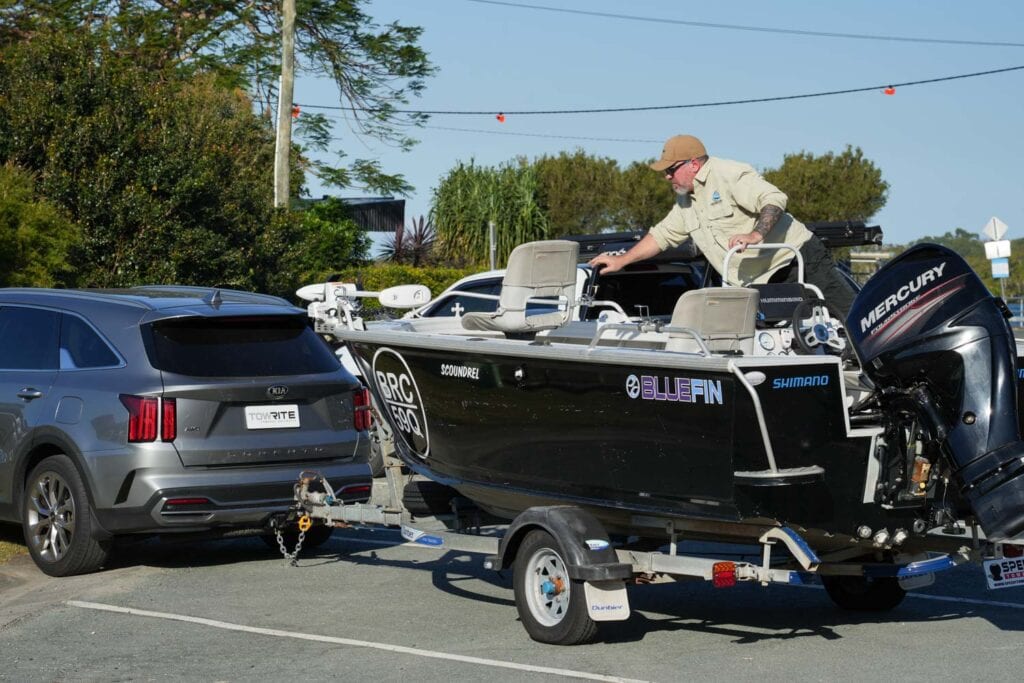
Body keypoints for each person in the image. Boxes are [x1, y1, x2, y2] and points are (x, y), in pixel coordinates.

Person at [589, 134, 856, 321]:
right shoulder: (685, 200)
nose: (667, 176)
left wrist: (755, 234)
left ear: (693, 164)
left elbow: (774, 199)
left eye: (671, 170)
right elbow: (662, 235)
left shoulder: (728, 173)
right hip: (758, 284)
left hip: (798, 261)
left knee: (854, 322)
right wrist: (623, 260)